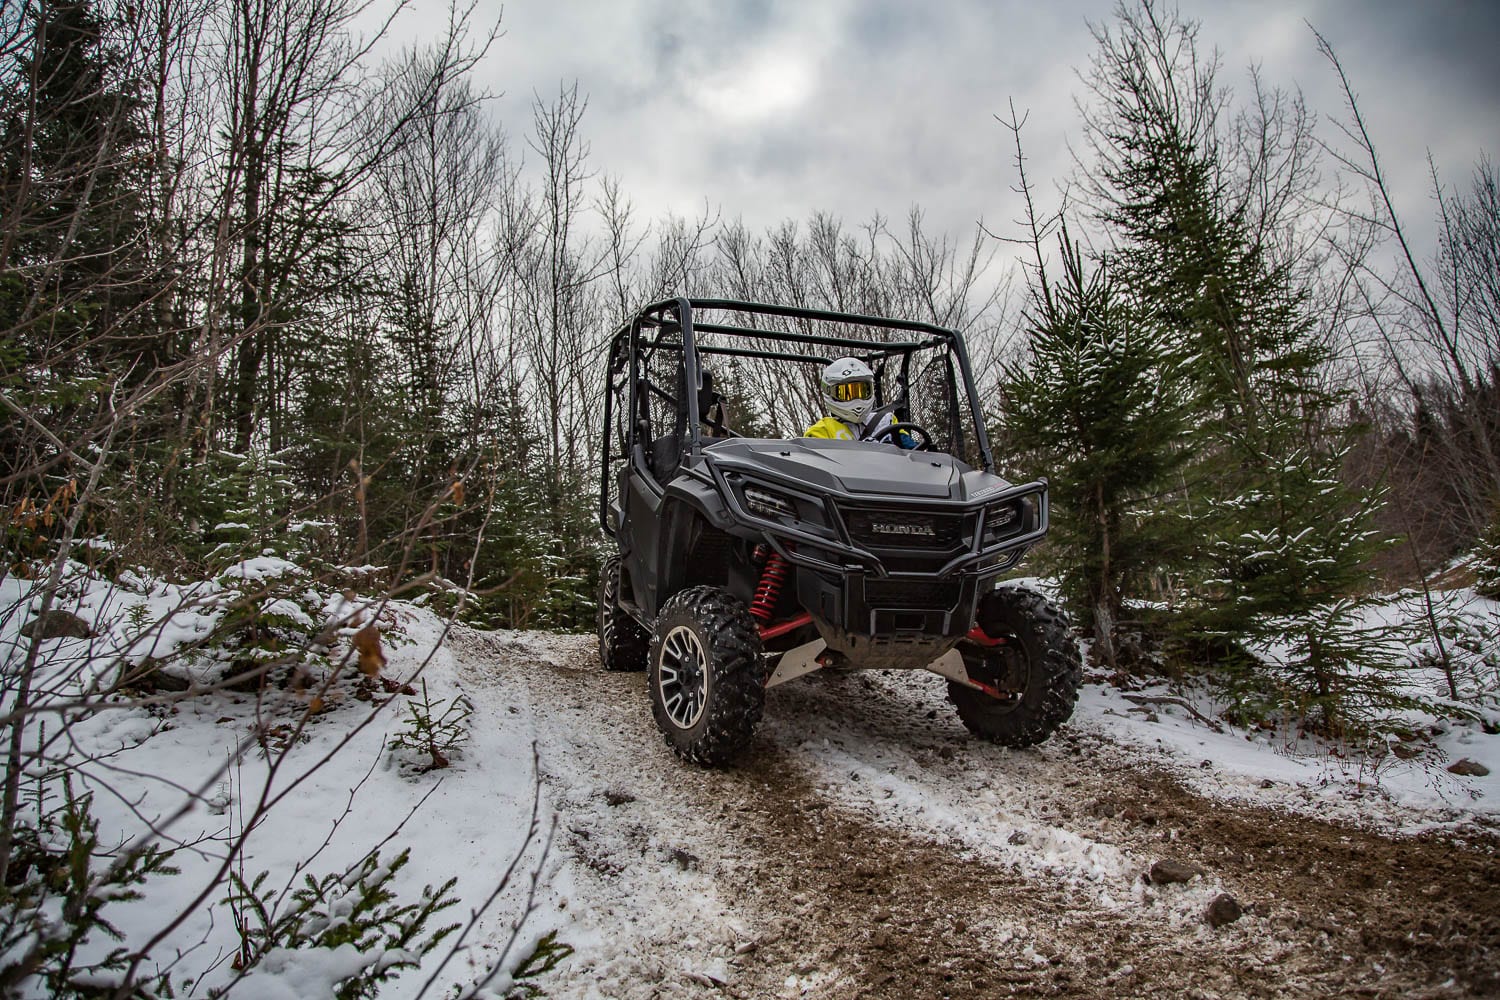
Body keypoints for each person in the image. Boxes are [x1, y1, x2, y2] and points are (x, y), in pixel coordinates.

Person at [803, 357, 914, 446]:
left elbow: (914, 452)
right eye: (847, 393)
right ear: (829, 392)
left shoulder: (886, 421)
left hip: (891, 472)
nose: (857, 400)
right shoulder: (822, 431)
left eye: (862, 391)